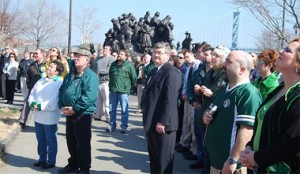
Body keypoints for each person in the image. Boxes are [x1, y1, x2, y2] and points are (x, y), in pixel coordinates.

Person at [240, 37, 300, 173]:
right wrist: (249, 148)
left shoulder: (297, 96)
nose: (280, 51)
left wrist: (256, 157)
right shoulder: (279, 89)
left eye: (287, 50)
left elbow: (291, 142)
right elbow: (263, 126)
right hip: (259, 165)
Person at [202, 50, 262, 174]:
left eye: (229, 62)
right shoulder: (225, 89)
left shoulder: (248, 92)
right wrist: (205, 116)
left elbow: (246, 130)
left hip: (230, 166)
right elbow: (210, 108)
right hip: (216, 162)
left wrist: (233, 160)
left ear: (242, 69)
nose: (223, 64)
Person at [58, 44, 99, 174]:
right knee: (71, 140)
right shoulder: (71, 74)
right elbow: (62, 90)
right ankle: (73, 164)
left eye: (79, 57)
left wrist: (75, 108)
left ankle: (84, 167)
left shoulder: (90, 76)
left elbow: (89, 96)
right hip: (69, 112)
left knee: (83, 142)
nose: (76, 58)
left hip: (82, 114)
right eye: (75, 56)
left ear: (87, 60)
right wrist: (61, 105)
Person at [142, 42, 182, 173]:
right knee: (154, 159)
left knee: (163, 163)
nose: (156, 55)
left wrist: (163, 121)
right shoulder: (154, 70)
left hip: (163, 125)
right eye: (154, 52)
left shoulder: (172, 72)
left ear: (168, 55)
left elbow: (169, 100)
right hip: (151, 122)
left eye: (159, 52)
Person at [29, 60, 64, 170]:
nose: (48, 68)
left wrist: (40, 106)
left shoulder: (59, 82)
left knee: (50, 139)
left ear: (57, 71)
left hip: (50, 116)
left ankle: (51, 161)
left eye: (51, 67)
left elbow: (54, 100)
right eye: (49, 67)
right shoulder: (41, 80)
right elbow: (32, 93)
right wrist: (33, 103)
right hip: (38, 116)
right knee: (40, 139)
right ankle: (42, 158)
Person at [107, 49, 137, 134]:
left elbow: (134, 78)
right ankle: (112, 125)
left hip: (123, 91)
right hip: (113, 90)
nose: (119, 55)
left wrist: (128, 87)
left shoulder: (129, 65)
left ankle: (124, 127)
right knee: (112, 109)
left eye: (121, 54)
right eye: (119, 54)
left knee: (124, 110)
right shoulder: (113, 65)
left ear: (126, 56)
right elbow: (110, 75)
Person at [19, 49, 46, 130]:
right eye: (34, 54)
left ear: (42, 54)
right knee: (27, 103)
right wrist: (29, 84)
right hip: (33, 88)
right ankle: (22, 121)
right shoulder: (32, 65)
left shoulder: (47, 64)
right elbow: (28, 76)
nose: (35, 55)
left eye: (37, 53)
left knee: (43, 107)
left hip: (44, 90)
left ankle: (44, 124)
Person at [94, 45, 116, 122]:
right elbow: (94, 69)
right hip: (98, 81)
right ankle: (98, 115)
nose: (104, 50)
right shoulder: (97, 59)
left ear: (110, 51)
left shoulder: (112, 59)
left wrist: (99, 72)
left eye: (106, 49)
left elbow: (109, 70)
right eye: (104, 48)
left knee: (107, 99)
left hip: (106, 81)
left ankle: (108, 116)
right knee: (98, 100)